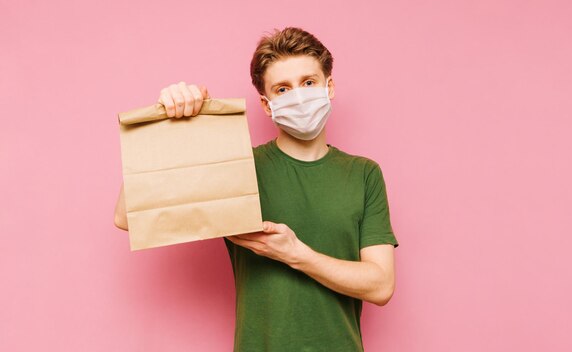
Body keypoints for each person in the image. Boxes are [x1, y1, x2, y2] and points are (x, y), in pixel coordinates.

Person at [114, 27, 399, 351]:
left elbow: (381, 285)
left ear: (328, 86)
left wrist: (296, 254)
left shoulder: (363, 174)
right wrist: (167, 123)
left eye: (308, 82)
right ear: (267, 104)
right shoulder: (237, 168)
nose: (299, 96)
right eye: (283, 89)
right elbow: (127, 216)